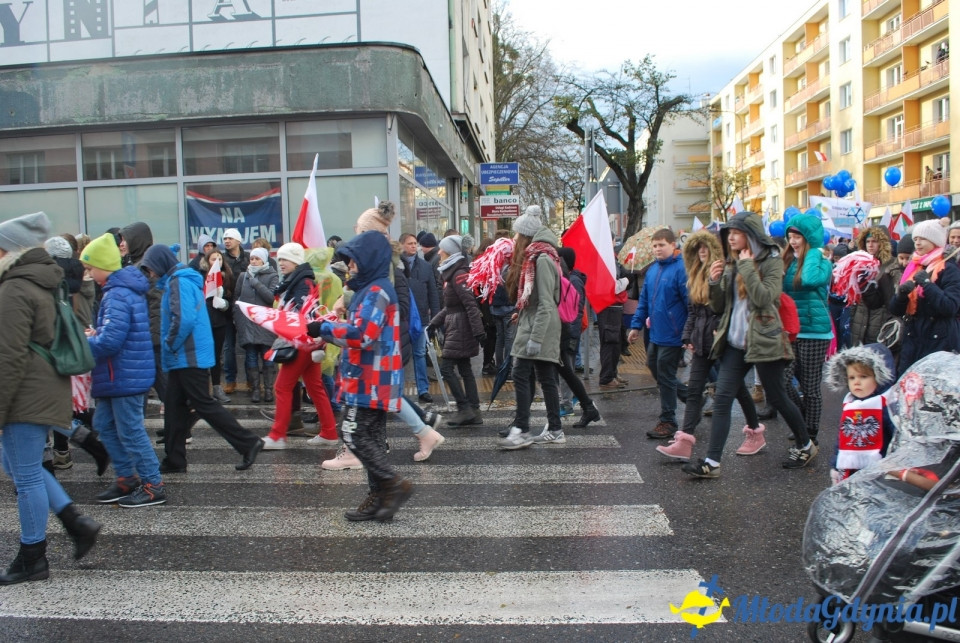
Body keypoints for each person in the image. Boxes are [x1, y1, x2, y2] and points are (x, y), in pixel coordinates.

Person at [0, 212, 101, 585]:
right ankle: (74, 522)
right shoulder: (46, 281)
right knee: (18, 467)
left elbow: (7, 356)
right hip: (44, 385)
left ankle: (33, 558)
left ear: (9, 251)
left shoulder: (14, 287)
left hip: (25, 390)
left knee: (24, 476)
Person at [682, 212, 815, 478]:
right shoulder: (731, 263)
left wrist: (746, 269)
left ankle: (806, 444)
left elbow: (765, 298)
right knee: (722, 398)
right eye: (728, 232)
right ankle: (712, 462)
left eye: (736, 232)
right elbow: (720, 307)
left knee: (777, 396)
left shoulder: (772, 262)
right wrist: (714, 282)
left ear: (751, 235)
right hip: (735, 342)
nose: (730, 237)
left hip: (764, 340)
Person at [308, 230, 411, 522]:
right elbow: (358, 334)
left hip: (371, 379)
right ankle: (380, 498)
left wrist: (325, 330)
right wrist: (328, 331)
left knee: (353, 434)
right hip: (370, 377)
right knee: (373, 439)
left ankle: (392, 483)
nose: (350, 267)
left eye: (353, 261)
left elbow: (363, 334)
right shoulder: (371, 289)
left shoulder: (376, 291)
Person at [140, 244, 264, 473]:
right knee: (175, 408)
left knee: (203, 404)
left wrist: (169, 343)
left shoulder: (178, 282)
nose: (151, 274)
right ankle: (174, 459)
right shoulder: (179, 280)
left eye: (151, 269)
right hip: (186, 354)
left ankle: (248, 442)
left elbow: (183, 320)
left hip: (188, 354)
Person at [656, 230, 758, 462]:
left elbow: (727, 307)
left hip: (721, 340)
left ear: (713, 248)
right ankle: (684, 441)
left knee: (736, 389)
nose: (702, 251)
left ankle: (754, 430)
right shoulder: (694, 274)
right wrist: (687, 337)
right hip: (701, 341)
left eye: (705, 247)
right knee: (694, 390)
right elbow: (693, 312)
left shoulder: (723, 270)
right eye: (697, 248)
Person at [80, 233, 166, 507]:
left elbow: (111, 341)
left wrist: (86, 342)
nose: (88, 273)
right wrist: (98, 333)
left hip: (123, 375)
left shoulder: (117, 293)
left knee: (130, 430)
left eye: (90, 267)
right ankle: (126, 478)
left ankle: (153, 484)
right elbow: (114, 333)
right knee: (105, 425)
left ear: (103, 266)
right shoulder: (118, 291)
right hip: (118, 374)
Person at [261, 242, 339, 449]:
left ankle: (277, 436)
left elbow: (301, 313)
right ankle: (329, 433)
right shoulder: (300, 280)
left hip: (301, 341)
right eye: (279, 260)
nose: (281, 263)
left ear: (296, 261)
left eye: (285, 259)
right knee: (315, 388)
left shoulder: (302, 282)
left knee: (282, 387)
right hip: (309, 341)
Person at [498, 207, 563, 449]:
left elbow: (546, 303)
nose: (514, 239)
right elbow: (535, 300)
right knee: (546, 378)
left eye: (517, 234)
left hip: (539, 328)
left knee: (521, 374)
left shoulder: (542, 259)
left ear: (526, 236)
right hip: (534, 323)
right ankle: (555, 428)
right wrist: (521, 311)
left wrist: (535, 338)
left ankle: (522, 429)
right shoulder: (536, 257)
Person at [627, 228, 689, 440]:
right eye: (654, 246)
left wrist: (688, 335)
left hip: (674, 334)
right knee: (655, 369)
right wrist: (635, 326)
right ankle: (692, 398)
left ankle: (668, 420)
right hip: (655, 333)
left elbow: (690, 304)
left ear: (673, 245)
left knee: (665, 373)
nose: (657, 249)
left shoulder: (682, 269)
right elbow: (643, 301)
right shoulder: (652, 270)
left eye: (661, 245)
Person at [780, 214, 834, 443]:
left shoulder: (821, 261)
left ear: (809, 238)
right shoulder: (787, 261)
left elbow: (810, 280)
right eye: (790, 237)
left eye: (798, 237)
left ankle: (810, 433)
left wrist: (812, 251)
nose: (793, 241)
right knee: (782, 381)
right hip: (792, 331)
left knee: (810, 386)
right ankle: (801, 421)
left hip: (814, 331)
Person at [428, 234, 485, 427]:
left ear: (450, 252)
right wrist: (434, 324)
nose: (439, 252)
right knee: (464, 368)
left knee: (447, 368)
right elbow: (451, 306)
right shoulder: (453, 272)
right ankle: (474, 410)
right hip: (458, 324)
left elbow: (469, 304)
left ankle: (465, 408)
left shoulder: (459, 274)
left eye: (442, 249)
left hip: (461, 328)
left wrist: (478, 332)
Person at [890, 219, 960, 373]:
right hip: (913, 336)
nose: (917, 243)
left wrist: (927, 285)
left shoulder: (949, 267)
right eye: (915, 239)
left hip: (939, 339)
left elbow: (951, 306)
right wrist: (901, 296)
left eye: (923, 238)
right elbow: (895, 310)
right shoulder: (914, 265)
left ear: (934, 240)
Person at [823, 343, 896, 484]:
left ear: (880, 377)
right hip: (850, 468)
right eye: (851, 378)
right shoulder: (850, 404)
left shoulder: (886, 405)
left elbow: (897, 438)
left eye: (863, 377)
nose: (856, 382)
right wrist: (836, 463)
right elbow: (844, 438)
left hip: (880, 469)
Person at [553, 247, 602, 431]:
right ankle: (584, 406)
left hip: (568, 334)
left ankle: (569, 405)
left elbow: (575, 310)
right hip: (564, 332)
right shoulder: (568, 278)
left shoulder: (573, 280)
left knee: (566, 371)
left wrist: (571, 336)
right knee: (565, 371)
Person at [234, 247, 279, 404]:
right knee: (251, 357)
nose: (253, 261)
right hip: (248, 324)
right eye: (251, 258)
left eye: (257, 259)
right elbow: (237, 299)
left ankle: (268, 390)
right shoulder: (242, 276)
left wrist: (255, 282)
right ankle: (255, 390)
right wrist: (238, 319)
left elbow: (270, 297)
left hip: (265, 323)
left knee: (267, 357)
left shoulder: (273, 276)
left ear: (264, 260)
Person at [400, 232, 440, 405]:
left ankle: (423, 389)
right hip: (402, 319)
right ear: (402, 245)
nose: (413, 246)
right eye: (409, 243)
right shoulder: (396, 267)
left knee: (419, 354)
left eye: (415, 243)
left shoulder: (425, 266)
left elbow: (433, 292)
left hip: (421, 318)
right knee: (400, 356)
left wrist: (436, 319)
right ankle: (398, 391)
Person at [848, 226, 901, 347]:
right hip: (860, 321)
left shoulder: (892, 266)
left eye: (874, 241)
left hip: (880, 321)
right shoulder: (860, 264)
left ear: (882, 243)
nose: (870, 245)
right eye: (867, 241)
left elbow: (892, 299)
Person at [200, 249, 235, 403]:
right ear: (208, 261)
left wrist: (224, 304)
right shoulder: (200, 277)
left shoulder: (227, 277)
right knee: (203, 356)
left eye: (219, 259)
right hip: (203, 323)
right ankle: (202, 390)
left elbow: (232, 301)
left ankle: (216, 387)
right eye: (213, 259)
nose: (216, 262)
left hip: (219, 323)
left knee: (216, 356)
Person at [220, 228, 248, 394]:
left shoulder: (248, 258)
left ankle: (251, 381)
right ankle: (230, 380)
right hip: (227, 309)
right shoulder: (222, 260)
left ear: (238, 240)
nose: (227, 241)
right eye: (225, 239)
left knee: (248, 346)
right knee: (228, 347)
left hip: (245, 308)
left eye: (230, 238)